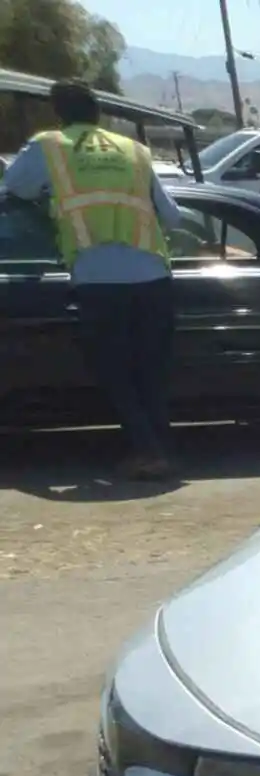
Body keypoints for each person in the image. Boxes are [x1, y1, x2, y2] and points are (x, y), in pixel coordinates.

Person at [2, 80, 182, 479]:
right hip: (154, 275)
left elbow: (14, 187)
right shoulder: (134, 150)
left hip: (99, 280)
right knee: (150, 370)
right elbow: (173, 218)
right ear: (98, 113)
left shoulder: (49, 146)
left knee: (113, 369)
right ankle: (160, 450)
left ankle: (150, 452)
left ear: (59, 114)